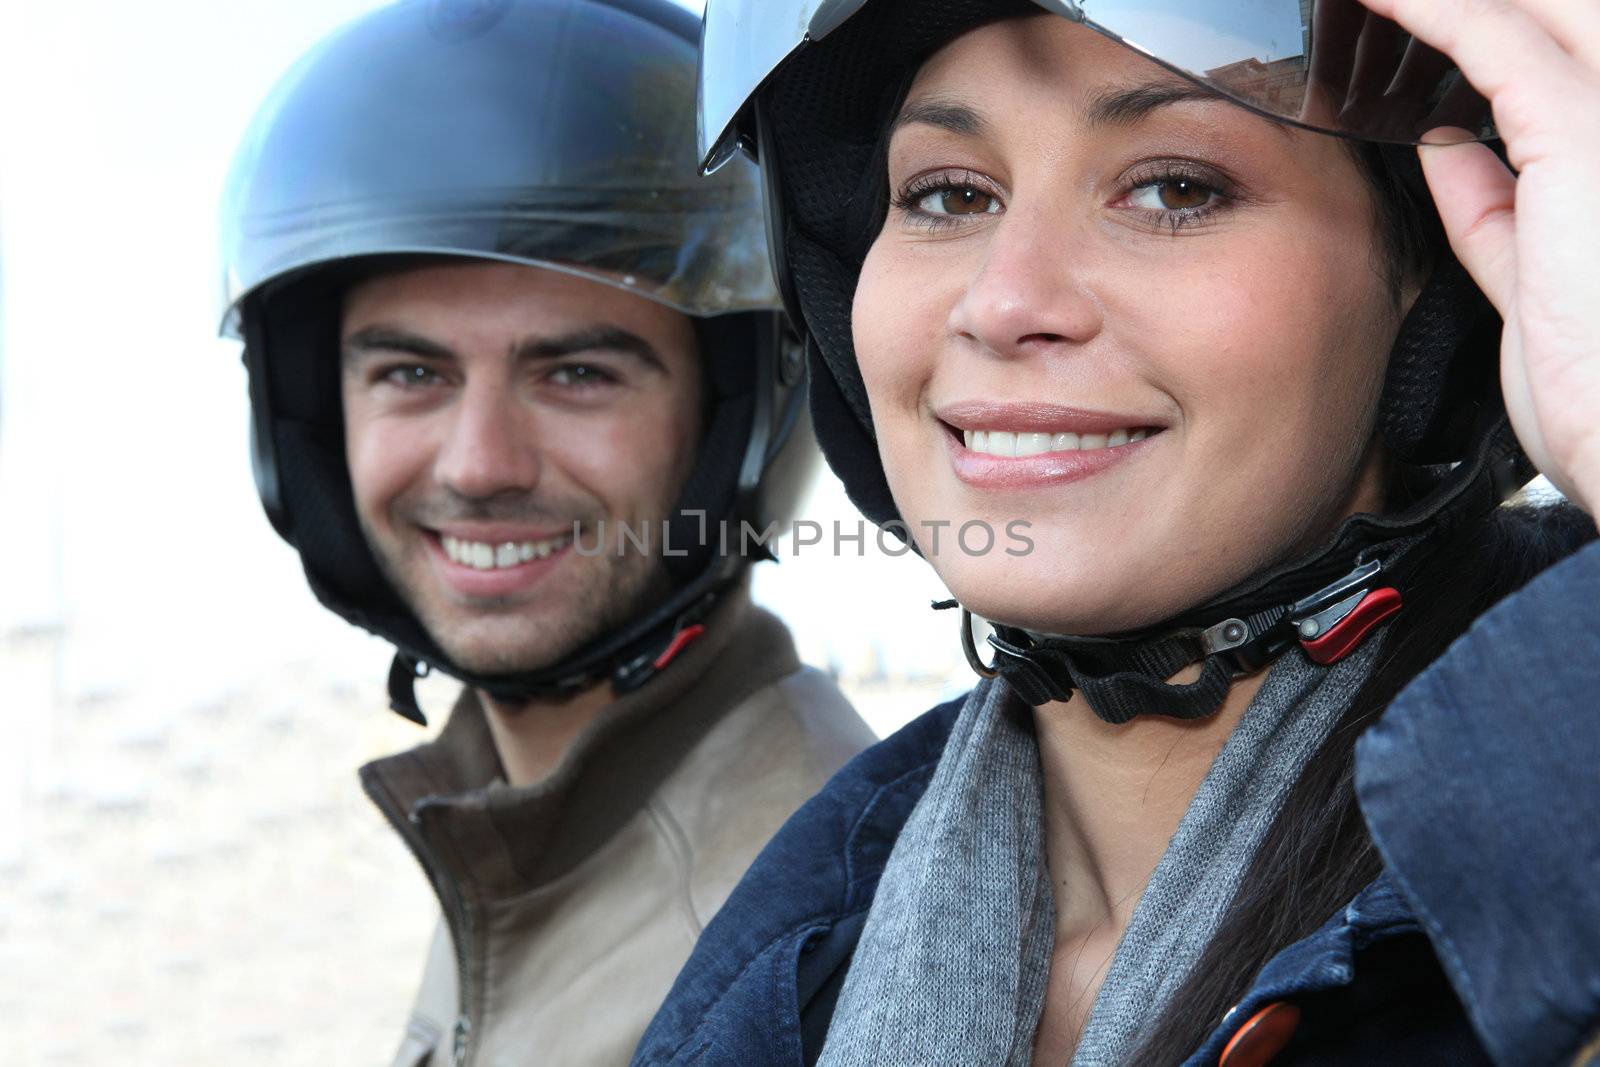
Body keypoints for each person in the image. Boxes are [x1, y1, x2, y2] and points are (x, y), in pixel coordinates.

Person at [636, 0, 1600, 1064]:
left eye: (1174, 189)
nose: (1003, 302)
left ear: (1434, 283)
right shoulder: (794, 956)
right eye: (949, 194)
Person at [218, 1, 875, 1063]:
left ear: (731, 417)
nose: (479, 463)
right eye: (411, 373)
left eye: (576, 373)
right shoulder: (512, 825)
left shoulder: (806, 939)